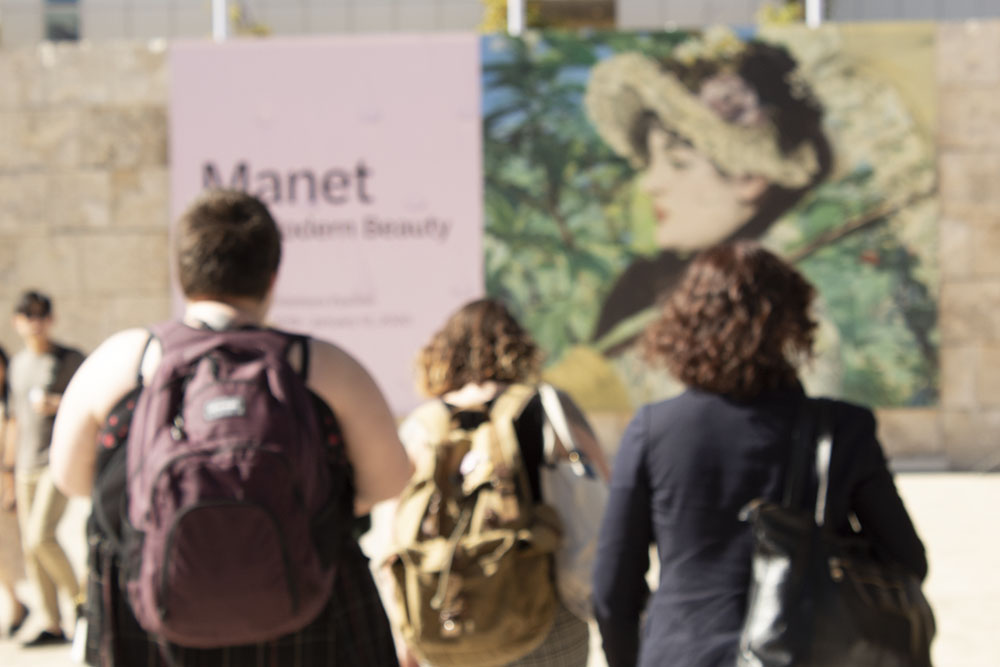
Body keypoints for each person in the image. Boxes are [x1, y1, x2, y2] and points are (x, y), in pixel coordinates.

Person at [49, 189, 414, 665]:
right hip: (309, 621)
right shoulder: (325, 367)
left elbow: (73, 480)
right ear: (272, 276)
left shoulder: (121, 363)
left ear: (182, 273)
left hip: (150, 624)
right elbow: (388, 482)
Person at [591, 241, 928, 667]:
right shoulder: (842, 429)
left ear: (686, 325)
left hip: (681, 652)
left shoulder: (653, 430)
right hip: (804, 654)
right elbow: (907, 561)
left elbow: (612, 589)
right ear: (792, 324)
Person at [388, 298, 610, 667]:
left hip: (453, 618)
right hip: (544, 613)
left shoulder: (422, 426)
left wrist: (406, 639)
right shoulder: (545, 406)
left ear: (443, 353)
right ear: (518, 347)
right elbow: (600, 480)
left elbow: (399, 534)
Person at [6, 291, 85, 647]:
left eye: (41, 315)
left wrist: (59, 403)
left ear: (51, 320)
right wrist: (7, 469)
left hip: (57, 459)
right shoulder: (18, 365)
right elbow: (14, 419)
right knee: (31, 548)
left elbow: (90, 402)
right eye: (29, 316)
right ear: (17, 322)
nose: (35, 323)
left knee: (42, 536)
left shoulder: (68, 359)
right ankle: (52, 623)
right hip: (25, 464)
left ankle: (83, 602)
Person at [0, 344, 30, 638]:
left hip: (5, 482)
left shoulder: (12, 402)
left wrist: (10, 485)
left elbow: (11, 450)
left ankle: (17, 606)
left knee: (6, 553)